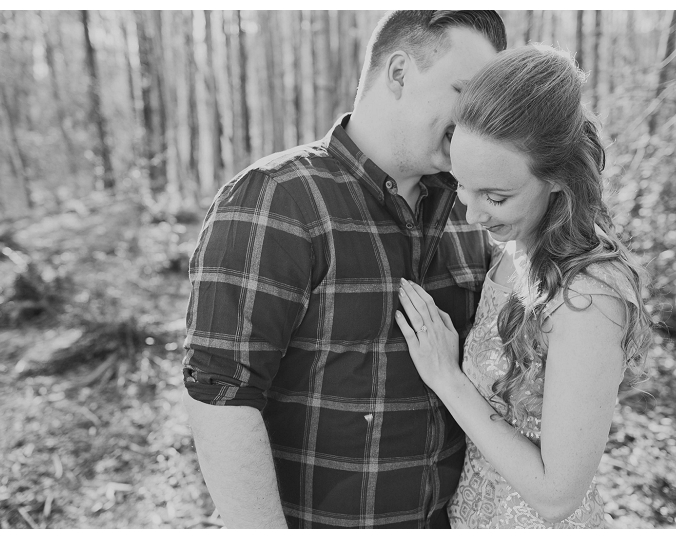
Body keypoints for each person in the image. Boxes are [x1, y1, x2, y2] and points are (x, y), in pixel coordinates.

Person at [181, 11, 507, 529]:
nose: (478, 120)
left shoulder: (475, 213)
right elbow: (222, 396)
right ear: (399, 73)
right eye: (465, 93)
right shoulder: (277, 198)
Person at [395, 45, 653, 529]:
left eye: (496, 196)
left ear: (559, 180)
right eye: (463, 187)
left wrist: (447, 379)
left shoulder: (589, 295)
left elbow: (558, 497)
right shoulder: (510, 252)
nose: (472, 215)